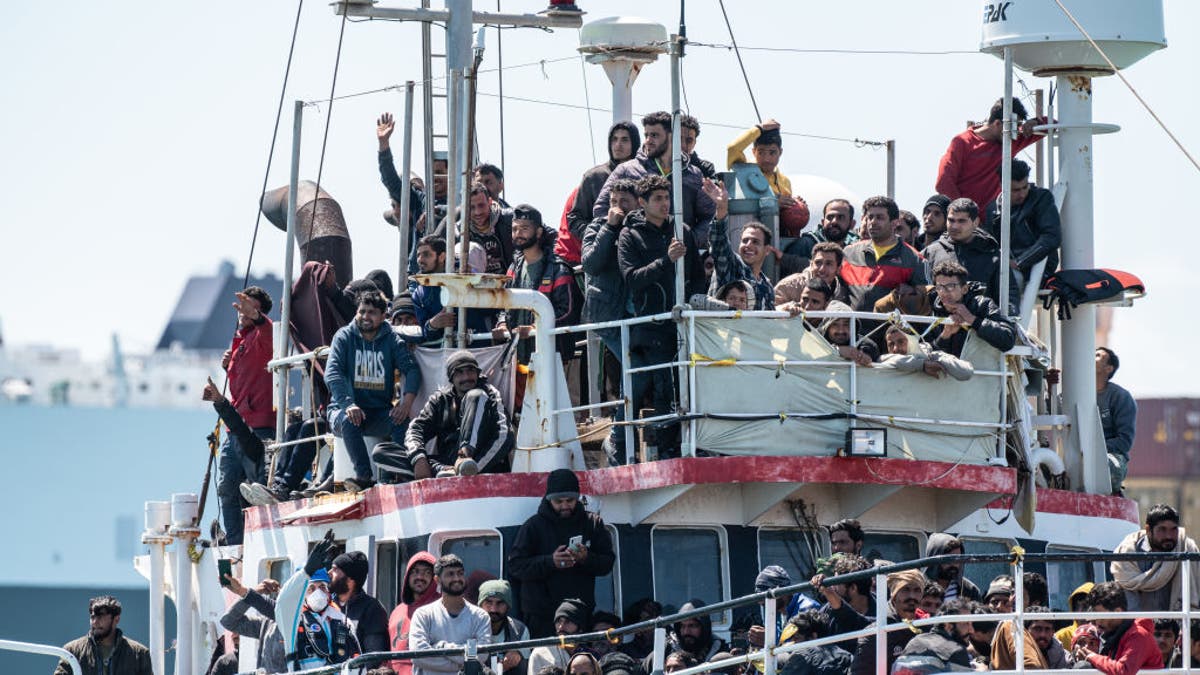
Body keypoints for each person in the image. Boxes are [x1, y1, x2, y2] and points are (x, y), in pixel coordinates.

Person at [617, 174, 706, 457]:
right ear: (642, 203)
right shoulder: (630, 235)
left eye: (667, 197)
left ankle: (688, 443)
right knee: (661, 386)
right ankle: (661, 448)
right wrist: (665, 261)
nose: (665, 203)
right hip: (651, 325)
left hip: (682, 323)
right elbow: (632, 278)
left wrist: (694, 307)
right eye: (658, 198)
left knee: (689, 384)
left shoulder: (682, 231)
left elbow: (697, 277)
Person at [324, 289, 422, 491]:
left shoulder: (392, 340)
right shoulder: (343, 337)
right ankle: (364, 477)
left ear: (383, 316)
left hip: (377, 412)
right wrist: (348, 404)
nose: (365, 317)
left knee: (401, 420)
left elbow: (412, 370)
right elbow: (332, 373)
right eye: (362, 311)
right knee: (348, 420)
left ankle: (393, 477)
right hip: (343, 410)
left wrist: (405, 404)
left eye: (372, 312)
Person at [508, 469, 616, 637]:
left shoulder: (593, 523)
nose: (565, 506)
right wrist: (551, 562)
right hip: (542, 617)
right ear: (549, 499)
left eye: (570, 500)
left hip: (579, 616)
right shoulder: (533, 526)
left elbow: (607, 563)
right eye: (559, 501)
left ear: (577, 498)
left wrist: (586, 558)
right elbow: (515, 566)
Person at [384, 350, 512, 481]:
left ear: (478, 374)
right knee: (383, 452)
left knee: (476, 396)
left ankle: (463, 458)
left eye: (470, 371)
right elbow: (416, 429)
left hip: (480, 466)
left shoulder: (488, 394)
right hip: (447, 466)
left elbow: (504, 436)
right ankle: (444, 471)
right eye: (459, 372)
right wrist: (419, 458)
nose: (466, 377)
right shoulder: (440, 400)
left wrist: (473, 468)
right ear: (451, 378)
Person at [593, 111, 716, 246]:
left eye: (654, 135)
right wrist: (627, 240)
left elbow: (709, 216)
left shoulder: (694, 174)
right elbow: (601, 209)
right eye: (646, 135)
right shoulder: (626, 170)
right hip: (639, 259)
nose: (648, 141)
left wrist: (691, 241)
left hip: (681, 258)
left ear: (671, 136)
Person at [581, 177, 637, 465]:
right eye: (614, 202)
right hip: (608, 314)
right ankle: (617, 438)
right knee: (634, 372)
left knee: (638, 374)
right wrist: (610, 227)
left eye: (624, 203)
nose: (618, 208)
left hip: (637, 314)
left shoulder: (642, 228)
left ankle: (622, 437)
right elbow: (591, 263)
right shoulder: (597, 227)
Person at [217, 286, 274, 545]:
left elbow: (268, 329)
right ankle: (235, 544)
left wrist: (259, 318)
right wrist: (229, 364)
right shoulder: (241, 341)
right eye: (241, 305)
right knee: (228, 488)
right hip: (235, 427)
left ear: (259, 311)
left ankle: (259, 542)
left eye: (248, 306)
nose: (241, 310)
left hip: (258, 428)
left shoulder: (264, 334)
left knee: (256, 490)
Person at [501, 204, 583, 362]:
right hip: (518, 357)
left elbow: (568, 312)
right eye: (514, 229)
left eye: (524, 228)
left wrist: (536, 328)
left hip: (552, 356)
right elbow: (505, 305)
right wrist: (502, 323)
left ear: (538, 232)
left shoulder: (558, 269)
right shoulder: (513, 269)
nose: (518, 234)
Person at [275, 533, 364, 672]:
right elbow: (282, 602)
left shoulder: (343, 621)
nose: (318, 592)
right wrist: (306, 572)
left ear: (328, 591)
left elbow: (358, 664)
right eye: (311, 588)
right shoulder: (293, 621)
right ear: (303, 594)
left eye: (322, 587)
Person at [935, 97, 1043, 209]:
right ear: (997, 124)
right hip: (963, 222)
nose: (1015, 132)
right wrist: (964, 213)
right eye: (1013, 127)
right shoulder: (962, 142)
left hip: (992, 221)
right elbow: (943, 183)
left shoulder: (1010, 141)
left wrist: (1035, 122)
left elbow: (1053, 125)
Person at [983, 159, 1062, 299]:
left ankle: (1006, 318)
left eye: (1025, 187)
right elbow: (990, 246)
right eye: (1015, 190)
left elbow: (1051, 236)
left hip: (1038, 267)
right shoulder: (993, 210)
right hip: (1005, 268)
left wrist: (1019, 262)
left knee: (1007, 281)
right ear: (1002, 185)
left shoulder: (1040, 198)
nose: (1022, 194)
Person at [409, 554, 492, 675]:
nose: (457, 578)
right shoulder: (423, 615)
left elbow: (481, 655)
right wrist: (463, 664)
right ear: (437, 580)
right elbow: (419, 656)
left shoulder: (480, 617)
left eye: (460, 573)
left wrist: (441, 647)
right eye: (450, 574)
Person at [840, 196, 926, 312]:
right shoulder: (849, 253)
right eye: (870, 217)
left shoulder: (915, 259)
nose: (873, 222)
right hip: (851, 328)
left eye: (879, 218)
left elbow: (924, 303)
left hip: (890, 328)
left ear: (894, 223)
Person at [1111, 503, 1200, 611]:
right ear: (1148, 529)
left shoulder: (1185, 548)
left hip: (1175, 625)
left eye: (1174, 529)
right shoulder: (1129, 556)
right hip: (1137, 624)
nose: (1169, 536)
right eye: (1162, 529)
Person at [703, 180, 774, 310]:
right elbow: (719, 241)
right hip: (722, 329)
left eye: (755, 242)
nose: (749, 245)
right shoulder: (732, 265)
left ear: (767, 250)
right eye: (745, 240)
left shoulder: (767, 287)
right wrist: (722, 207)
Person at [567, 122, 641, 245]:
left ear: (634, 143)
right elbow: (574, 219)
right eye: (614, 139)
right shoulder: (594, 177)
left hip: (636, 249)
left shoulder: (642, 175)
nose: (618, 145)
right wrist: (598, 236)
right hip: (602, 252)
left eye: (624, 140)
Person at [1072, 581, 1164, 674]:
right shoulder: (1115, 634)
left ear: (1117, 612)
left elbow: (1124, 671)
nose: (1096, 621)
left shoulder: (1138, 635)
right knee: (1082, 667)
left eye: (1099, 615)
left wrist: (1092, 656)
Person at [928, 260, 1016, 357]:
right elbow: (923, 354)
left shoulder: (982, 305)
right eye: (939, 287)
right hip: (942, 370)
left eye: (950, 286)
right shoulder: (929, 308)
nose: (943, 292)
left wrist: (972, 320)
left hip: (978, 369)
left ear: (964, 289)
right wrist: (945, 336)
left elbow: (1008, 339)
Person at [921, 197, 1001, 302]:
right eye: (951, 220)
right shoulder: (930, 253)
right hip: (938, 317)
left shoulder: (992, 256)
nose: (954, 226)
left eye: (961, 221)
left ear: (975, 222)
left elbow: (1009, 296)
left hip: (979, 317)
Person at [849, 569, 926, 675]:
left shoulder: (928, 626)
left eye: (917, 590)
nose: (912, 596)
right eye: (905, 590)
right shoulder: (875, 633)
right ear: (894, 594)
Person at [55, 595, 152, 675]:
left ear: (116, 619)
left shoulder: (139, 654)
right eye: (92, 617)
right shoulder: (72, 651)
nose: (95, 622)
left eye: (101, 617)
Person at [434, 183, 515, 276]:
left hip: (508, 284)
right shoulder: (457, 232)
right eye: (471, 207)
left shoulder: (509, 221)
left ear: (489, 202)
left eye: (481, 205)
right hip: (472, 286)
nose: (478, 212)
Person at [220, 574, 287, 674]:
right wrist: (255, 592)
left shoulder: (306, 621)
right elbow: (229, 621)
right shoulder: (267, 624)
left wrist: (244, 592)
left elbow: (278, 612)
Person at [890, 598, 977, 672]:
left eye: (972, 624)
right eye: (966, 624)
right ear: (948, 626)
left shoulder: (914, 641)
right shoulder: (957, 651)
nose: (972, 630)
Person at [387, 552, 439, 675]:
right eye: (415, 571)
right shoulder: (397, 611)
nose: (420, 577)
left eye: (427, 572)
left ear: (434, 577)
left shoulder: (442, 607)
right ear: (407, 576)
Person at [330, 550, 391, 655]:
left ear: (350, 579)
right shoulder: (327, 604)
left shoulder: (372, 609)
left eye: (335, 569)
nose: (329, 572)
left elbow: (373, 658)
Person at [779, 200, 858, 278]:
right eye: (830, 217)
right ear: (823, 222)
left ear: (852, 224)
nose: (834, 221)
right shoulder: (805, 245)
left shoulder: (856, 250)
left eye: (840, 217)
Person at [725, 118, 795, 206]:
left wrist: (797, 206)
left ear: (780, 152)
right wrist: (759, 128)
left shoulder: (785, 182)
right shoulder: (743, 170)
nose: (766, 159)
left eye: (772, 152)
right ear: (754, 152)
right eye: (761, 152)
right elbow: (733, 148)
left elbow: (786, 215)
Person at [1096, 347, 1137, 494]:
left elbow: (1124, 441)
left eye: (1098, 355)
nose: (1092, 356)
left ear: (1108, 368)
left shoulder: (1120, 397)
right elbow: (1052, 409)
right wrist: (1050, 385)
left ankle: (1114, 497)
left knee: (1106, 467)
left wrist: (1094, 449)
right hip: (1075, 451)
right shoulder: (1074, 392)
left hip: (1111, 454)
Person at [776, 610, 852, 675]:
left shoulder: (803, 655)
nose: (793, 643)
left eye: (796, 638)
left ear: (813, 636)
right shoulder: (847, 655)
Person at [479, 579, 530, 674]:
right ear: (480, 605)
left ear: (508, 605)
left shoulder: (520, 631)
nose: (493, 609)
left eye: (500, 603)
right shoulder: (469, 628)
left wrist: (519, 655)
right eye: (489, 602)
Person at [775, 242, 847, 307]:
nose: (822, 269)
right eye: (818, 262)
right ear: (811, 264)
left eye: (828, 264)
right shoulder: (790, 286)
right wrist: (786, 309)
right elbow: (769, 312)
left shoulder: (843, 293)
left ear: (838, 269)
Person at [529, 600, 590, 673]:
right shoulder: (540, 653)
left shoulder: (590, 655)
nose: (561, 627)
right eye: (559, 621)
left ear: (580, 628)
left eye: (567, 622)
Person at [923, 534, 981, 602]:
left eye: (957, 559)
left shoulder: (970, 590)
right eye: (948, 560)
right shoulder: (918, 587)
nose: (953, 564)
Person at [1053, 581, 1094, 650]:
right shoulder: (1062, 636)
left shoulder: (1104, 635)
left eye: (1086, 606)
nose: (1080, 612)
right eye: (1076, 607)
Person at [680, 114, 718, 179]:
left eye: (689, 140)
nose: (683, 145)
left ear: (694, 143)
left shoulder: (705, 168)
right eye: (679, 139)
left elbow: (714, 187)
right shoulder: (660, 164)